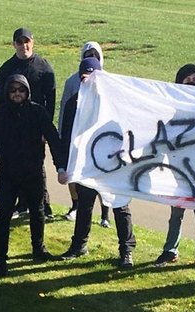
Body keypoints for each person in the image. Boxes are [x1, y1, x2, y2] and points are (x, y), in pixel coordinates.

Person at [58, 58, 135, 269]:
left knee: (120, 206)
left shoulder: (114, 103)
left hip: (111, 165)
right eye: (84, 78)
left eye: (92, 77)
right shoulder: (73, 103)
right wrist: (63, 166)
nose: (87, 82)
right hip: (86, 165)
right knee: (84, 205)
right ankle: (79, 245)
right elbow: (66, 137)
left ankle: (126, 250)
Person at [0, 74, 63, 276]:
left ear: (27, 92)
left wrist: (60, 167)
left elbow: (53, 139)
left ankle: (38, 249)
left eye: (21, 90)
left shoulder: (37, 112)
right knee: (3, 216)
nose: (17, 93)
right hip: (8, 175)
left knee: (38, 212)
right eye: (13, 90)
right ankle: (1, 259)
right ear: (7, 92)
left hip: (34, 173)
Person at [152, 64, 195, 272]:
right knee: (177, 211)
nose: (191, 81)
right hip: (179, 165)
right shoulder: (174, 104)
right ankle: (170, 250)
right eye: (187, 78)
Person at [0, 27, 56, 220]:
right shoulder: (6, 69)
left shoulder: (44, 67)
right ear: (14, 44)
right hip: (13, 127)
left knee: (38, 166)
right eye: (20, 42)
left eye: (27, 41)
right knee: (14, 163)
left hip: (37, 126)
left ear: (33, 42)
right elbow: (0, 101)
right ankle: (21, 205)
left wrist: (46, 129)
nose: (24, 46)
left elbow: (51, 100)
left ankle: (43, 205)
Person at [57, 42, 110, 225]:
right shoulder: (72, 81)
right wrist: (61, 134)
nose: (92, 57)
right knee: (74, 172)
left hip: (100, 138)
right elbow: (65, 108)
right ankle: (75, 205)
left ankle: (105, 213)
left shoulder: (109, 81)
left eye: (95, 55)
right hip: (76, 136)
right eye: (88, 54)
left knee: (102, 176)